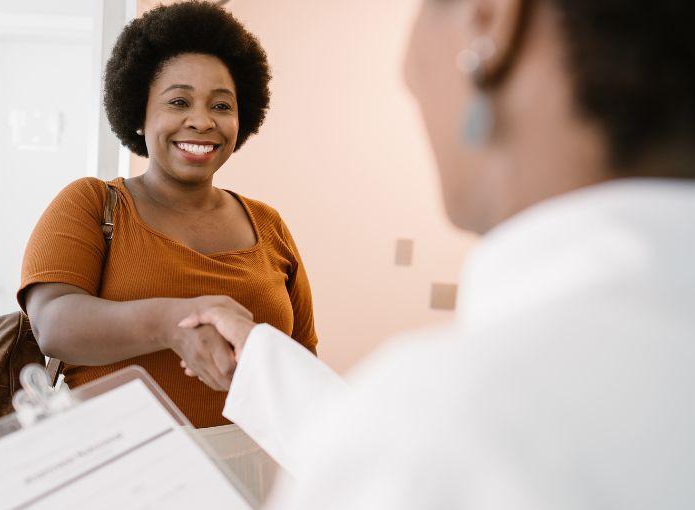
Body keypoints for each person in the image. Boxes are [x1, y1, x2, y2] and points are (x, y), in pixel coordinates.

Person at [178, 0, 695, 507]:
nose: (407, 73)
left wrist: (391, 436)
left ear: (490, 18)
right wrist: (258, 361)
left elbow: (426, 453)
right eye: (178, 102)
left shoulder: (444, 432)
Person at [18, 2, 317, 500]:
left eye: (221, 105)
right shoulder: (92, 204)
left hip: (252, 481)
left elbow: (301, 356)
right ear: (139, 112)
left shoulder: (268, 225)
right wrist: (175, 324)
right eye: (179, 102)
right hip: (119, 476)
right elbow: (54, 325)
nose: (202, 121)